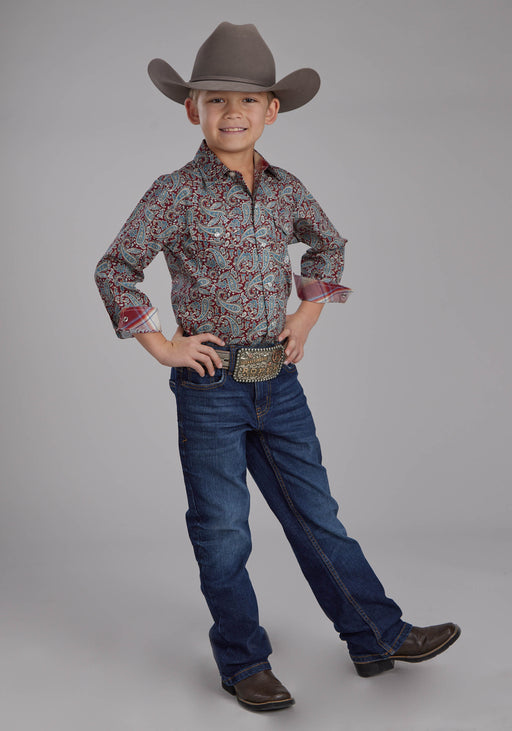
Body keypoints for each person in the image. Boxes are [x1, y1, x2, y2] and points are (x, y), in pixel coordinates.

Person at [94, 22, 460, 712]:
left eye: (247, 101)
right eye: (216, 100)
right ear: (192, 110)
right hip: (211, 387)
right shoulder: (174, 192)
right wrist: (164, 346)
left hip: (279, 384)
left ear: (272, 110)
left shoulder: (287, 189)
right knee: (224, 530)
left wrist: (307, 314)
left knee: (317, 515)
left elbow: (328, 245)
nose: (232, 113)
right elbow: (115, 268)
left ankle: (376, 635)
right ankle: (244, 661)